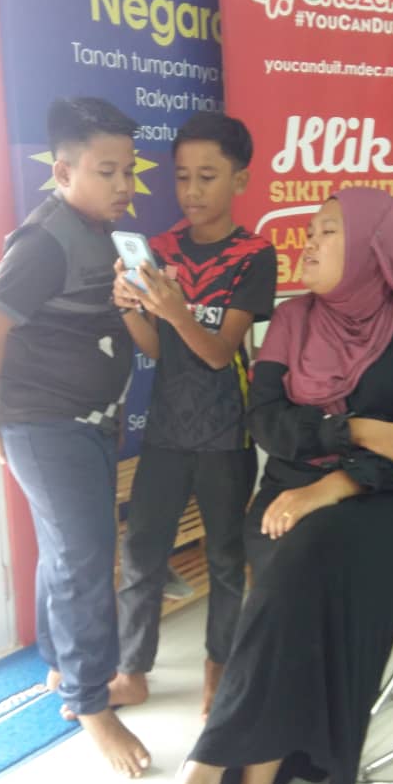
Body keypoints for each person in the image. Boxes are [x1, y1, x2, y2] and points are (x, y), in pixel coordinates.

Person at [152, 188, 393, 784]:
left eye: (327, 232)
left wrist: (329, 485)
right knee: (298, 563)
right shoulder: (291, 320)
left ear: (372, 249)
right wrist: (352, 429)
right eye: (309, 231)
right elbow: (266, 421)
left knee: (303, 559)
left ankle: (216, 766)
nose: (308, 244)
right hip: (292, 492)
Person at [0, 96, 151, 778]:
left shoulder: (101, 231)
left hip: (89, 421)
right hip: (45, 423)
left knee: (67, 551)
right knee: (83, 559)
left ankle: (60, 663)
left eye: (129, 171)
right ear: (64, 171)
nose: (123, 185)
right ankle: (89, 702)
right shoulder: (45, 240)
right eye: (107, 171)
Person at [108, 112, 277, 719]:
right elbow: (159, 350)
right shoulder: (161, 250)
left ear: (240, 180)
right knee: (142, 551)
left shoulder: (254, 255)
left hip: (227, 433)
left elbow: (219, 352)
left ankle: (219, 669)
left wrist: (177, 309)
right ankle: (132, 670)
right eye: (182, 177)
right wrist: (129, 306)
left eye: (208, 176)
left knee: (227, 559)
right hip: (166, 431)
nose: (192, 191)